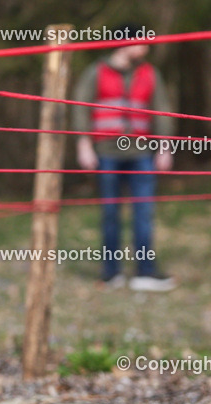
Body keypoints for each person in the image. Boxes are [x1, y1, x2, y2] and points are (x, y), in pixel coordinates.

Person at [72, 25, 176, 292]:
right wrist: (84, 145)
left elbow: (162, 109)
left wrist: (165, 148)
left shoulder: (150, 73)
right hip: (107, 153)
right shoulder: (96, 71)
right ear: (125, 42)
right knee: (110, 213)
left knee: (144, 213)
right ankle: (111, 273)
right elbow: (81, 107)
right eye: (142, 42)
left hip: (141, 153)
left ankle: (145, 272)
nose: (147, 48)